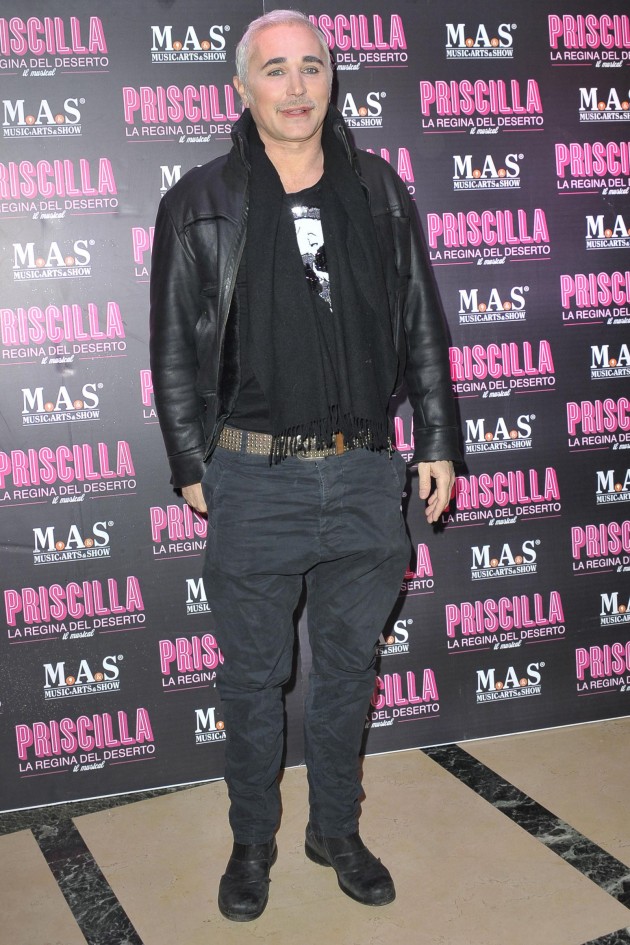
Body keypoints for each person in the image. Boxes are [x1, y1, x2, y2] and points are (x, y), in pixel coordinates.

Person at [150, 10, 460, 922]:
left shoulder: (378, 190)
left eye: (312, 67)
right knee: (253, 681)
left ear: (332, 79)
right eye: (275, 69)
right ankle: (253, 842)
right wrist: (189, 459)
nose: (296, 87)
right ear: (240, 88)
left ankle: (336, 830)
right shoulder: (199, 201)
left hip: (364, 471)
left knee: (348, 669)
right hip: (253, 479)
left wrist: (438, 437)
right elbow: (172, 349)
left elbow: (421, 322)